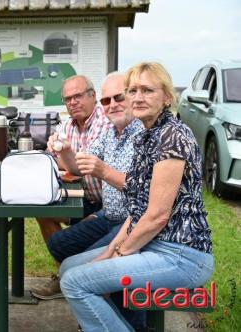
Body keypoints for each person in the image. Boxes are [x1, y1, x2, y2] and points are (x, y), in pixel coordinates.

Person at [59, 62, 214, 332]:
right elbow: (140, 208)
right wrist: (110, 249)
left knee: (75, 282)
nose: (138, 97)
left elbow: (156, 216)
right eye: (132, 90)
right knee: (69, 267)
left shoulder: (172, 136)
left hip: (181, 256)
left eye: (147, 90)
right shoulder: (147, 137)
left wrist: (120, 253)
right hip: (155, 246)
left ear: (167, 96)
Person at [31, 75, 112, 300]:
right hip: (85, 197)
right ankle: (63, 274)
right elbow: (57, 160)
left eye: (78, 96)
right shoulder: (67, 125)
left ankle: (83, 281)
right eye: (67, 99)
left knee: (81, 237)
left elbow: (84, 166)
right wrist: (52, 151)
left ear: (92, 96)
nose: (72, 102)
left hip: (111, 203)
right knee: (43, 212)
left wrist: (64, 153)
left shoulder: (106, 122)